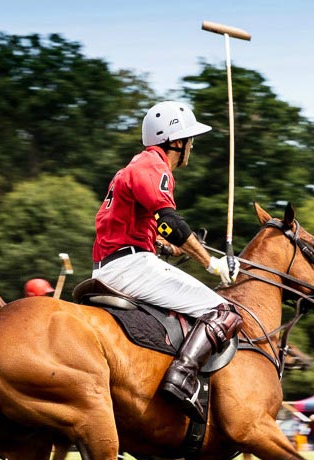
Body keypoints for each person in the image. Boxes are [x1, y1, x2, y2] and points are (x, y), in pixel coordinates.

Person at [92, 100, 242, 421]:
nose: (191, 147)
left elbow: (148, 228)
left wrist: (171, 248)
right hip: (130, 268)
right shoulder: (154, 167)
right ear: (174, 141)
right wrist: (210, 263)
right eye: (189, 140)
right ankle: (182, 378)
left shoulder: (133, 167)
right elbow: (170, 222)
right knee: (225, 312)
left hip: (114, 262)